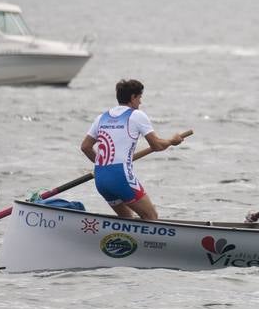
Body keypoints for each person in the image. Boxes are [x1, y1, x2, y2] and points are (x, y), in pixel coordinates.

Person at [78, 78, 187, 221]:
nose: (140, 102)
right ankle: (150, 243)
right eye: (140, 97)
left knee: (126, 219)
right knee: (151, 216)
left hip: (100, 177)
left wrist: (102, 164)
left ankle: (124, 242)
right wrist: (173, 141)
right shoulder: (136, 115)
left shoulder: (102, 117)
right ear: (133, 97)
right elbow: (157, 145)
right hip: (120, 177)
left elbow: (85, 147)